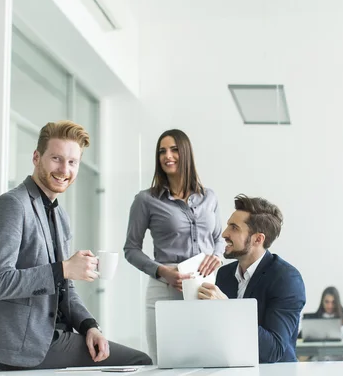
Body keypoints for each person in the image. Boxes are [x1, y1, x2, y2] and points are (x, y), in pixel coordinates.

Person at [0, 121, 151, 370]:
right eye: (56, 158)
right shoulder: (12, 205)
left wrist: (90, 326)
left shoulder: (60, 216)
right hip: (22, 345)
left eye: (72, 162)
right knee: (140, 362)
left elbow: (64, 285)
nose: (64, 169)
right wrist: (63, 269)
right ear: (37, 157)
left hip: (51, 337)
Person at [123, 129, 226, 363]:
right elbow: (131, 249)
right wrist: (162, 272)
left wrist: (218, 256)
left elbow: (220, 238)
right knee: (166, 363)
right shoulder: (145, 200)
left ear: (186, 153)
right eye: (162, 151)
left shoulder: (209, 197)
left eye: (174, 149)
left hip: (204, 288)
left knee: (207, 360)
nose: (167, 156)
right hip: (165, 288)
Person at [197, 194, 306, 363]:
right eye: (228, 226)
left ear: (257, 239)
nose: (224, 234)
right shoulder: (224, 274)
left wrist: (226, 308)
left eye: (234, 228)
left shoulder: (286, 279)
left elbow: (272, 350)